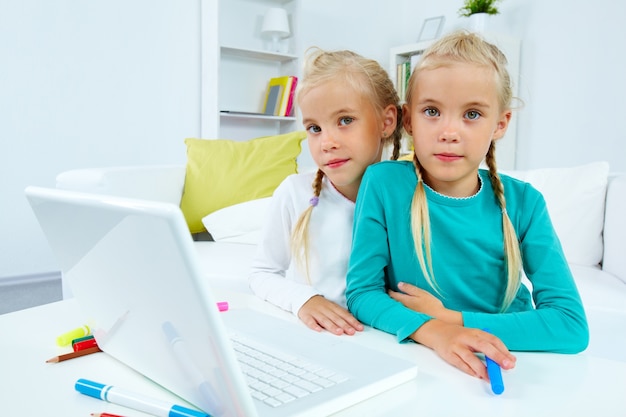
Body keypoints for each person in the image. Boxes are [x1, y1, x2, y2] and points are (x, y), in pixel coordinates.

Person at [345, 31, 589, 379]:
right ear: (409, 119)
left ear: (500, 124)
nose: (449, 131)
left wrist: (450, 319)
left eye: (472, 114)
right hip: (426, 360)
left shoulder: (526, 203)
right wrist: (436, 332)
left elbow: (570, 326)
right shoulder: (384, 184)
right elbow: (363, 293)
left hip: (508, 362)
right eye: (432, 111)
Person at [249, 48, 403, 336]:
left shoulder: (409, 197)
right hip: (318, 337)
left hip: (386, 338)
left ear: (386, 122)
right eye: (314, 128)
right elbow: (262, 273)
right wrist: (304, 299)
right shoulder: (295, 193)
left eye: (345, 120)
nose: (327, 142)